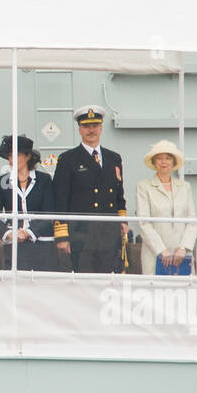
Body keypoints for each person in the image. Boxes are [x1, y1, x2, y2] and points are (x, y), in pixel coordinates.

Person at [52, 105, 129, 273]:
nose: (91, 130)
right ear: (80, 129)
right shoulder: (68, 159)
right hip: (81, 233)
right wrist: (62, 235)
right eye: (86, 126)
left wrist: (122, 221)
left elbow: (119, 195)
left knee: (109, 279)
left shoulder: (113, 158)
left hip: (109, 230)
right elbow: (60, 199)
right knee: (84, 282)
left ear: (101, 128)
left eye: (95, 126)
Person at [0, 134, 59, 271]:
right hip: (14, 245)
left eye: (16, 155)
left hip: (42, 243)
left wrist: (29, 232)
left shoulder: (44, 180)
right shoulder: (3, 182)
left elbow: (49, 212)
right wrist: (9, 234)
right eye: (9, 156)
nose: (11, 159)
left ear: (28, 156)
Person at [134, 139, 197, 275]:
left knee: (184, 293)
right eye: (159, 158)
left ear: (174, 162)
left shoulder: (185, 187)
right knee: (155, 293)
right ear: (153, 162)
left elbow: (192, 221)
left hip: (182, 256)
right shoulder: (144, 187)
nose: (164, 162)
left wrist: (184, 248)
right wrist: (162, 250)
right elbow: (144, 223)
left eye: (168, 158)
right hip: (154, 254)